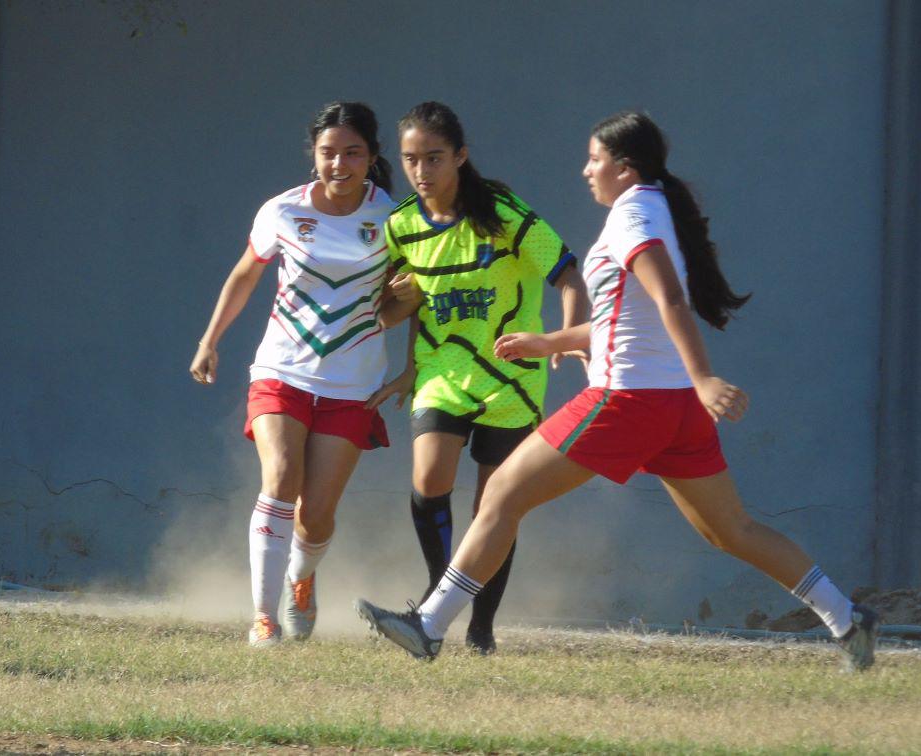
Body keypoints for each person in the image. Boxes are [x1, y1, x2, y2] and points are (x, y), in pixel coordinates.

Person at [357, 110, 879, 671]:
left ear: (625, 169)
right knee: (733, 531)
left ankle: (430, 626)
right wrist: (552, 340)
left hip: (628, 400)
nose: (586, 171)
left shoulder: (634, 216)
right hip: (672, 406)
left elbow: (670, 300)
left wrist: (704, 376)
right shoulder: (651, 208)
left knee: (503, 493)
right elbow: (622, 319)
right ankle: (847, 618)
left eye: (595, 159)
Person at [191, 102, 418, 648]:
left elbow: (415, 294)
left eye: (352, 152)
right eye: (328, 153)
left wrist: (411, 365)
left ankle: (301, 575)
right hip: (281, 368)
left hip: (354, 381)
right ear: (313, 155)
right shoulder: (283, 211)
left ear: (372, 157)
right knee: (281, 477)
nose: (339, 163)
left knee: (315, 516)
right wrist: (210, 340)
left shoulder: (396, 218)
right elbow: (245, 275)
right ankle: (262, 617)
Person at [365, 102, 588, 654]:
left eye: (434, 158)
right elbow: (390, 310)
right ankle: (439, 604)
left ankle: (479, 629)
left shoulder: (504, 214)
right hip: (443, 372)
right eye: (411, 160)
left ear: (460, 157)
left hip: (512, 376)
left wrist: (567, 338)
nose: (422, 171)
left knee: (495, 507)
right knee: (428, 482)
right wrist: (398, 316)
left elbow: (567, 274)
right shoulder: (402, 226)